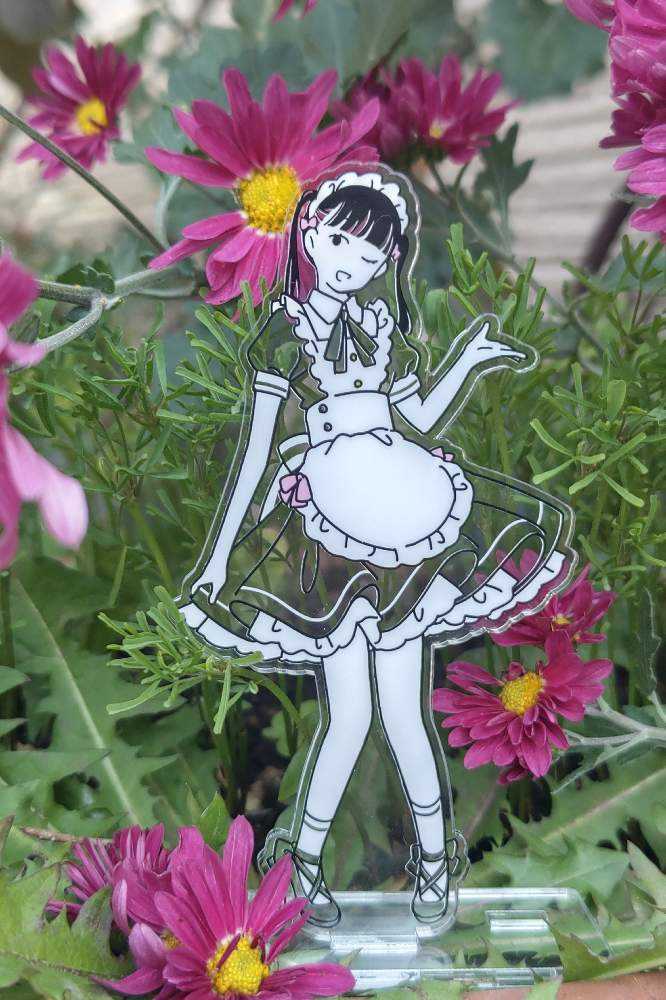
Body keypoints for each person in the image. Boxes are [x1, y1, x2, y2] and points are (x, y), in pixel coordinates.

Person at [178, 168, 574, 928]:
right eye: (337, 241)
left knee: (404, 712)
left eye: (369, 254)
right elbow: (256, 451)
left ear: (388, 259)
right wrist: (222, 557)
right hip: (330, 532)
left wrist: (466, 361)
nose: (350, 262)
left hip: (404, 515)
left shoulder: (380, 326)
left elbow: (413, 418)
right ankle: (301, 864)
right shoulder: (284, 331)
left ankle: (434, 864)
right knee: (349, 715)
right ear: (308, 233)